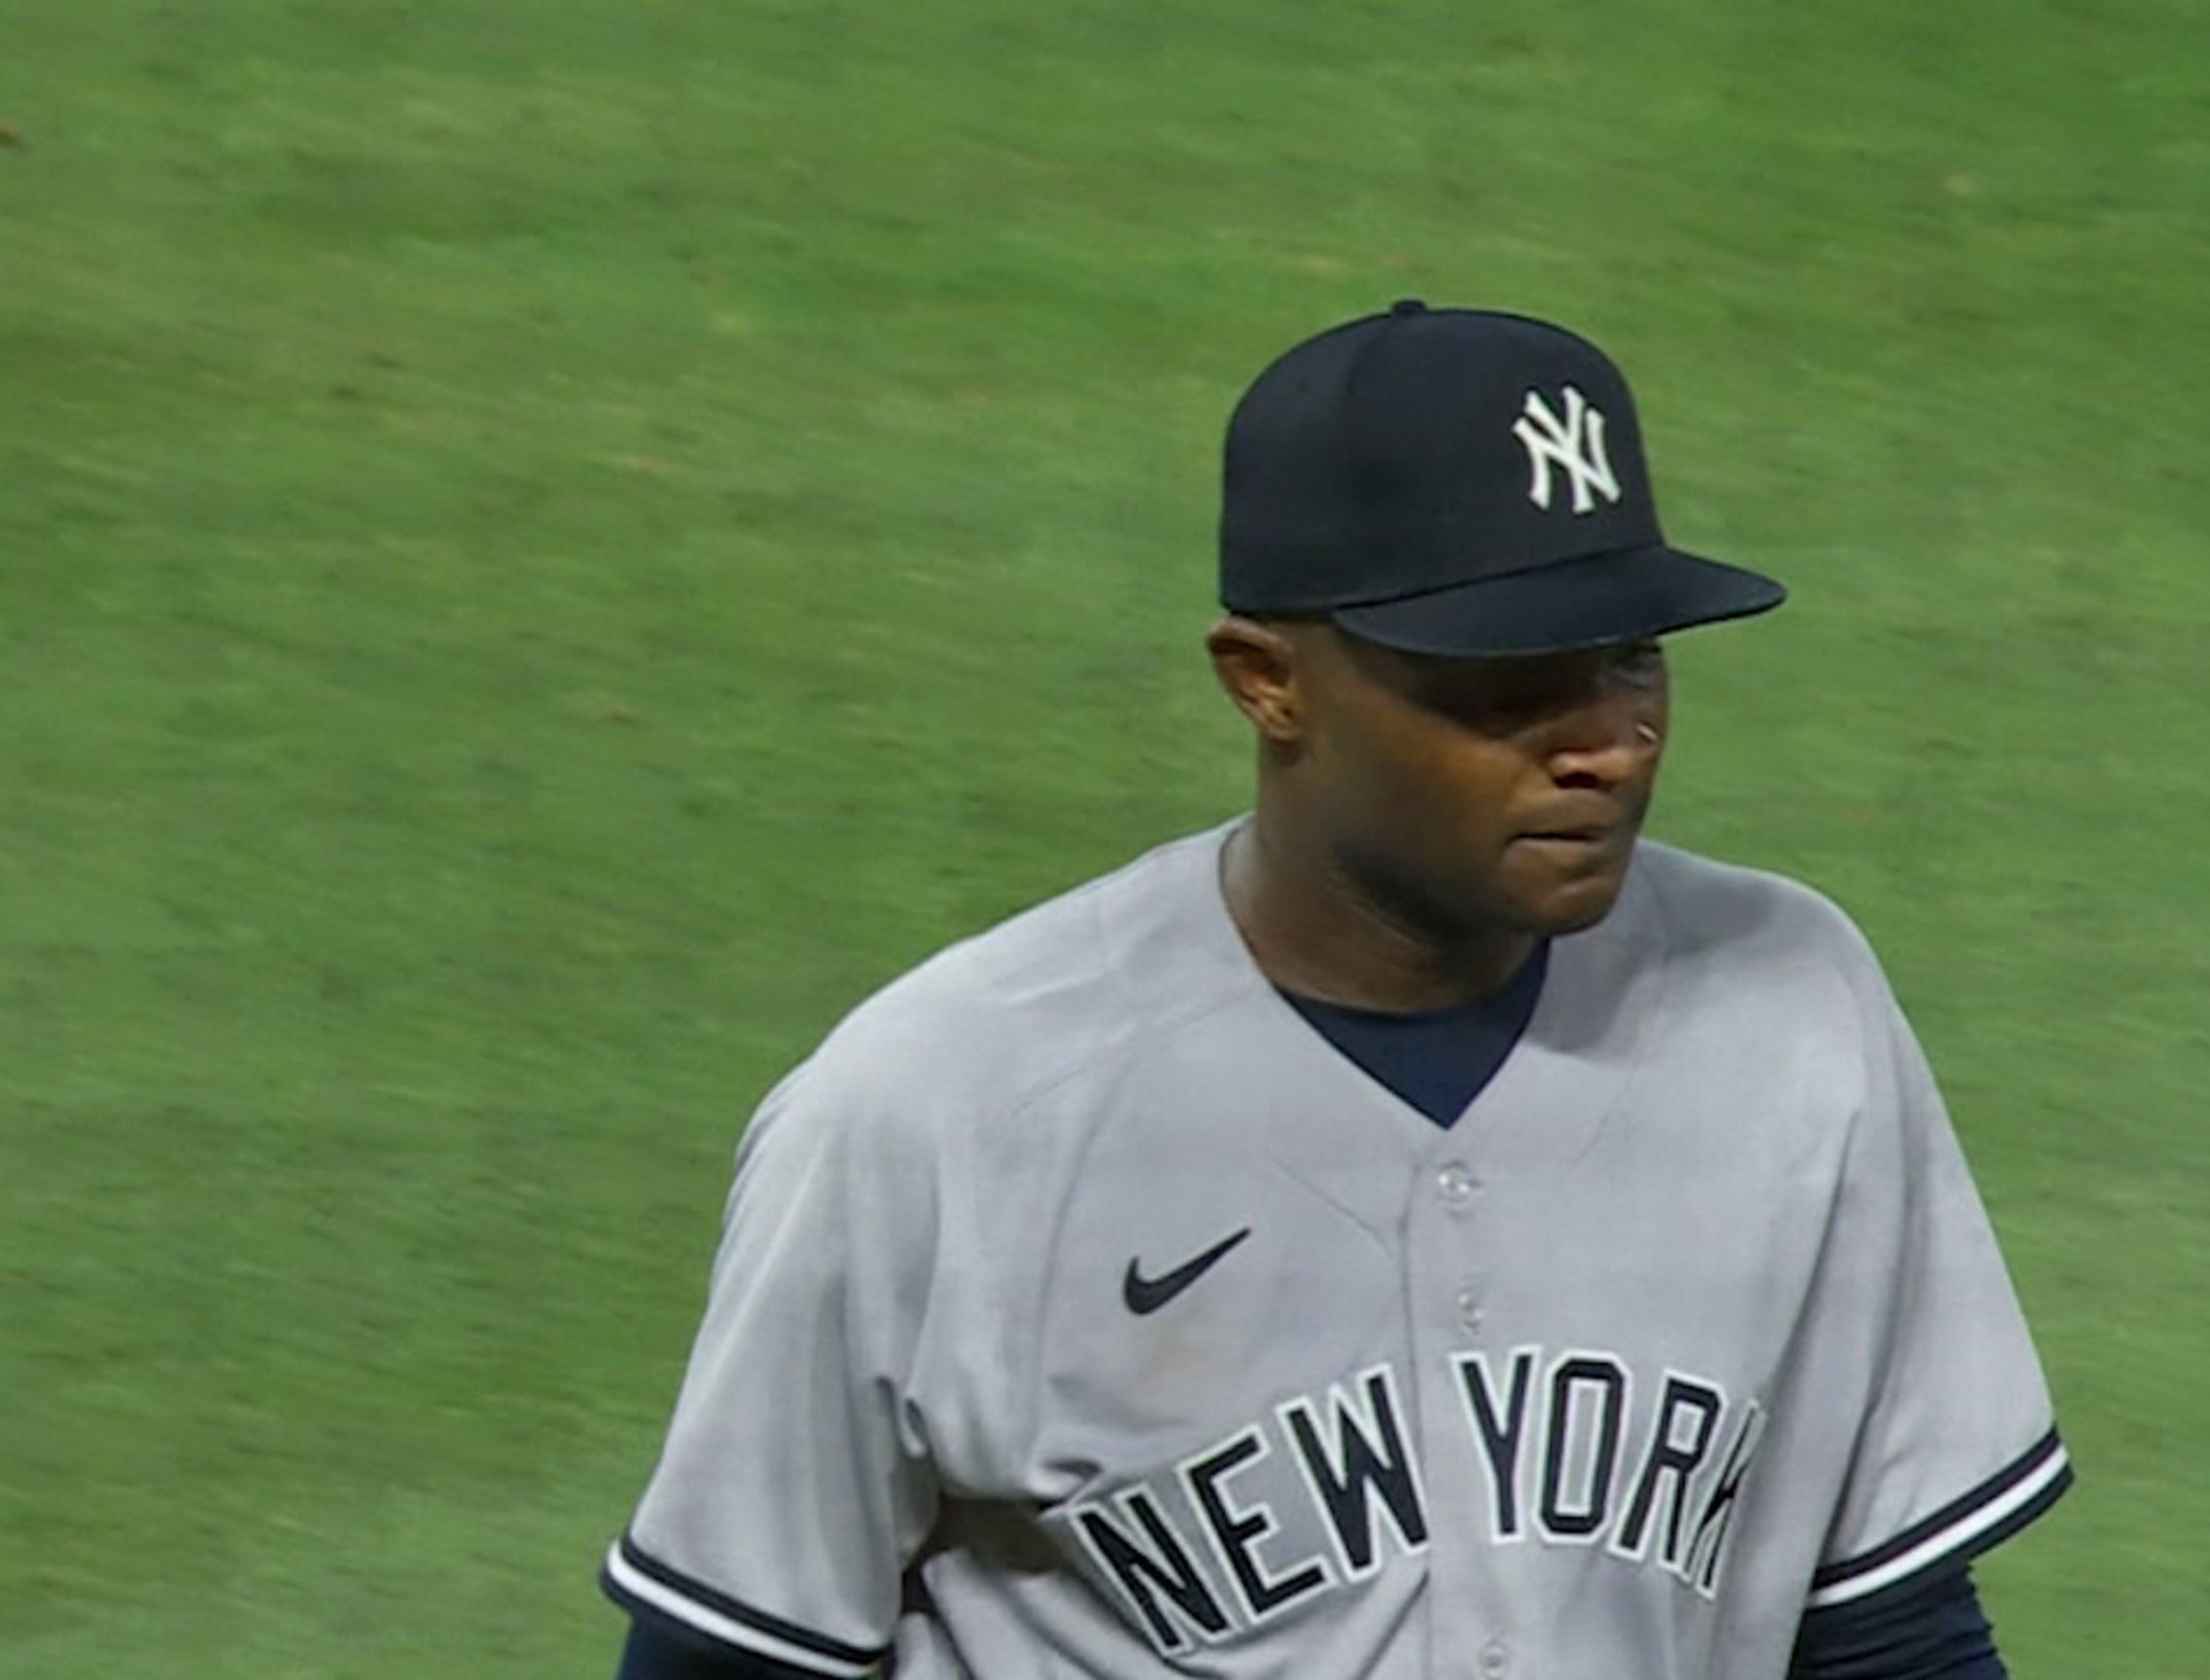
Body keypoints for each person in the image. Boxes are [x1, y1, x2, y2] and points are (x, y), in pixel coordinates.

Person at [599, 300, 2074, 1680]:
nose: (1605, 744)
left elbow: (1885, 1627)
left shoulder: (1788, 1008)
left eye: (1630, 658)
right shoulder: (938, 1110)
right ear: (1266, 680)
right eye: (1504, 679)